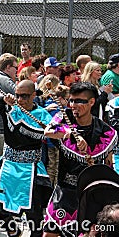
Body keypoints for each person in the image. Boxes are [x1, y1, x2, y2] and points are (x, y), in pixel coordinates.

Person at [43, 82, 118, 237]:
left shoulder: (103, 130)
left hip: (90, 195)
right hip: (64, 191)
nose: (73, 105)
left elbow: (108, 163)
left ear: (91, 102)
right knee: (49, 233)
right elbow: (48, 132)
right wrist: (69, 133)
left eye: (79, 101)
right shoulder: (64, 117)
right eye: (71, 100)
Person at [0, 80, 53, 237]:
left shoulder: (43, 115)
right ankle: (13, 231)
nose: (20, 100)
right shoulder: (9, 107)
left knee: (34, 213)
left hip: (31, 169)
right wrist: (6, 103)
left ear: (34, 95)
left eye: (25, 96)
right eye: (18, 96)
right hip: (7, 167)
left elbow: (50, 131)